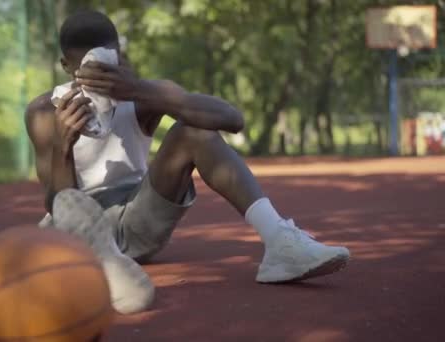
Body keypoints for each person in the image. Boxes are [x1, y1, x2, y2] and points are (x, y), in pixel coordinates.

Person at [25, 9, 350, 314]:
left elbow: (232, 119)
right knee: (40, 250)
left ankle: (280, 242)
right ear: (66, 67)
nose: (97, 78)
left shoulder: (141, 96)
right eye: (85, 70)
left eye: (105, 65)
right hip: (81, 232)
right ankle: (100, 267)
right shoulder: (42, 113)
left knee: (194, 130)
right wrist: (63, 145)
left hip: (139, 217)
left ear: (119, 58)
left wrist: (140, 90)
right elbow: (59, 204)